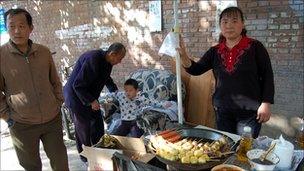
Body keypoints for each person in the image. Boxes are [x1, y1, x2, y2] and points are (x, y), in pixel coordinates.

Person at [177, 6, 274, 138]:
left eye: (234, 21)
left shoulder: (255, 47)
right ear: (220, 26)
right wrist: (183, 55)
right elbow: (196, 70)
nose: (229, 25)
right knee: (226, 146)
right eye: (225, 22)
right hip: (223, 110)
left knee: (245, 149)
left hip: (249, 111)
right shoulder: (215, 51)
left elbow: (267, 75)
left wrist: (266, 103)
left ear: (242, 24)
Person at [0, 8, 69, 171]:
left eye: (22, 26)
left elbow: (55, 80)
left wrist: (58, 101)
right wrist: (6, 116)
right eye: (12, 26)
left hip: (51, 119)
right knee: (31, 167)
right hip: (21, 123)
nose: (17, 31)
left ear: (31, 28)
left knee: (60, 163)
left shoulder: (44, 52)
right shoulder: (1, 56)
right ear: (7, 28)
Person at [63, 42, 126, 162]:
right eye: (120, 58)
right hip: (75, 96)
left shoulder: (108, 62)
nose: (120, 62)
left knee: (97, 125)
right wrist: (92, 101)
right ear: (112, 54)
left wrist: (116, 92)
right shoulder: (93, 59)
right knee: (83, 129)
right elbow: (78, 85)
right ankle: (86, 158)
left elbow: (107, 78)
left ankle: (99, 151)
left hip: (88, 95)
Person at [104, 78, 170, 137]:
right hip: (124, 122)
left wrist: (163, 105)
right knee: (115, 137)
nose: (127, 93)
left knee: (136, 136)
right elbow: (111, 94)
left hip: (135, 122)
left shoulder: (140, 98)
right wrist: (100, 98)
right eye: (126, 90)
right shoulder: (121, 95)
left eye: (130, 90)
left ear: (137, 90)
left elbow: (152, 103)